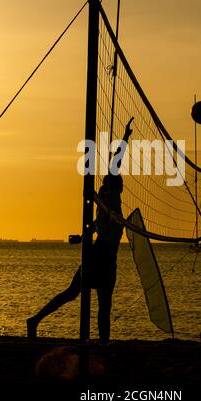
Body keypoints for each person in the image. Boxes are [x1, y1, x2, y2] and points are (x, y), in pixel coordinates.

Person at [27, 118, 134, 342]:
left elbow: (96, 227)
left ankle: (38, 320)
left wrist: (82, 236)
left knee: (88, 299)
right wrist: (125, 138)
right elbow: (115, 163)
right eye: (119, 183)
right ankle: (36, 320)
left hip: (102, 257)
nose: (121, 185)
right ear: (116, 186)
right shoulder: (111, 200)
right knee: (89, 300)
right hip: (100, 258)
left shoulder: (105, 207)